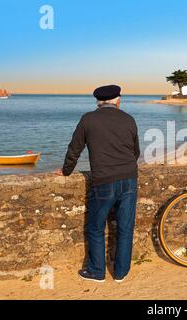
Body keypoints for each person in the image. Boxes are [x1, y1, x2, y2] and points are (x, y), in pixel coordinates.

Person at [56, 84, 140, 283]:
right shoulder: (129, 119)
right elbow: (135, 152)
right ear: (117, 100)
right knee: (125, 227)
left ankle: (96, 271)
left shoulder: (88, 119)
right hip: (129, 178)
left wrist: (66, 171)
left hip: (104, 181)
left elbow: (74, 149)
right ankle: (121, 273)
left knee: (95, 227)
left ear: (98, 102)